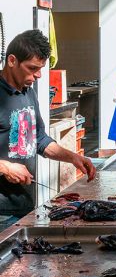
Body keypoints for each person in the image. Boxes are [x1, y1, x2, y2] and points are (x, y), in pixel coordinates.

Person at [0, 30, 96, 218]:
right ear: (12, 61)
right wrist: (5, 167)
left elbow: (39, 139)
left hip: (24, 204)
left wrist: (72, 157)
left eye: (41, 68)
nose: (39, 75)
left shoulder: (28, 92)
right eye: (32, 68)